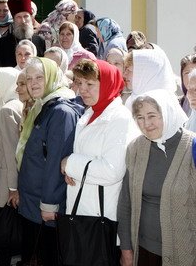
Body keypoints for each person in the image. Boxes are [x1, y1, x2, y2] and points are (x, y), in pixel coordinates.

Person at [61, 60, 140, 263]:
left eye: (90, 84)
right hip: (83, 214)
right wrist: (72, 169)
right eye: (79, 83)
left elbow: (112, 171)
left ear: (106, 84)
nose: (82, 90)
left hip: (101, 219)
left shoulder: (119, 119)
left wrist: (70, 163)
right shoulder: (90, 113)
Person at [16, 57, 84, 265]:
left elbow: (56, 161)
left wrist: (49, 205)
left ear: (53, 77)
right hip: (32, 202)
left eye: (39, 77)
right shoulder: (42, 105)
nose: (33, 83)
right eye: (29, 79)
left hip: (44, 208)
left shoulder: (60, 111)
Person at [118, 89, 196, 266]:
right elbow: (125, 202)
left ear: (168, 113)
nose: (146, 124)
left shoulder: (192, 147)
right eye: (140, 117)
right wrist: (126, 248)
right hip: (144, 250)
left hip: (186, 252)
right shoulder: (135, 148)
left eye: (152, 115)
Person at [0, 67, 24, 266]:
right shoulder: (18, 105)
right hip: (14, 176)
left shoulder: (7, 110)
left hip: (8, 178)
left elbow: (12, 150)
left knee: (6, 226)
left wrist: (12, 186)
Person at [0, 0, 46, 67]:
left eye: (26, 16)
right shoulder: (3, 42)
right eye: (19, 17)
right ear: (14, 20)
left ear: (31, 18)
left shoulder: (40, 41)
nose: (23, 21)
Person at [124, 45, 177, 109]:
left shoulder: (164, 106)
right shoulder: (131, 101)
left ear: (145, 74)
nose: (124, 75)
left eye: (129, 70)